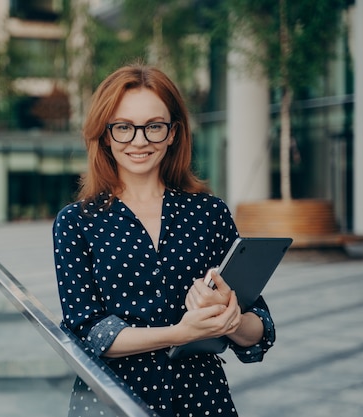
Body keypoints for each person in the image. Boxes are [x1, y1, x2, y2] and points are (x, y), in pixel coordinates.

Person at [53, 64, 275, 417]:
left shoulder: (209, 212)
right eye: (124, 127)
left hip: (203, 402)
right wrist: (180, 332)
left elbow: (259, 327)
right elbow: (89, 332)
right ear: (105, 135)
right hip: (111, 403)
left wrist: (231, 318)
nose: (139, 141)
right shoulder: (77, 222)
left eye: (154, 127)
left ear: (173, 133)